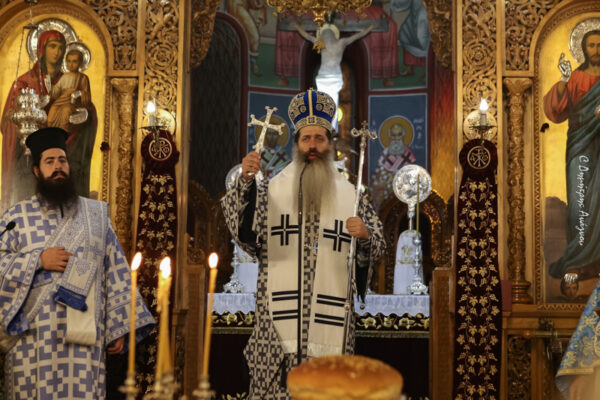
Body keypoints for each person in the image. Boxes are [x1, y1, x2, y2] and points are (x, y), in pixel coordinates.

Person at [221, 89, 385, 399]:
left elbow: (377, 247)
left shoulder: (351, 195)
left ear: (329, 143)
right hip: (275, 325)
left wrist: (365, 236)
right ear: (295, 144)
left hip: (332, 322)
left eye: (319, 139)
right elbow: (245, 236)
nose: (312, 145)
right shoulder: (270, 190)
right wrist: (245, 181)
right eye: (306, 138)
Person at [0, 127, 154, 399]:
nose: (58, 167)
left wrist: (118, 327)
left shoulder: (96, 215)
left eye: (62, 160)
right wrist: (38, 260)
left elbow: (115, 270)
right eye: (49, 162)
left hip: (83, 343)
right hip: (32, 341)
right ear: (37, 171)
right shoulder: (15, 218)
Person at [543, 29, 600, 281]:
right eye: (591, 45)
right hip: (580, 145)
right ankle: (577, 259)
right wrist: (564, 80)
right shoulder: (576, 77)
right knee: (579, 201)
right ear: (583, 49)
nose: (596, 50)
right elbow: (556, 112)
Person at [1, 30, 66, 209]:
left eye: (61, 48)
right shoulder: (23, 83)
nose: (57, 52)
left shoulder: (68, 81)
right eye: (52, 46)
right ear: (42, 49)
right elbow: (7, 121)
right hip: (28, 154)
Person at [294, 22, 374, 130]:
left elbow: (356, 36)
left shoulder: (341, 42)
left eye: (327, 34)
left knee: (332, 103)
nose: (326, 36)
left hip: (334, 78)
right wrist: (297, 27)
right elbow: (307, 36)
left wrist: (369, 28)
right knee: (322, 103)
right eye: (324, 34)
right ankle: (323, 127)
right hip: (323, 77)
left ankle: (331, 128)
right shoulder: (321, 44)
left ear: (333, 34)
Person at [47, 46, 98, 199]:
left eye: (74, 61)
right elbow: (56, 91)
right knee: (52, 114)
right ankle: (55, 135)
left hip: (72, 103)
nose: (71, 64)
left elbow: (86, 95)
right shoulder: (64, 77)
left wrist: (79, 93)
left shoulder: (83, 78)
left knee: (66, 111)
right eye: (68, 61)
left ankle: (64, 134)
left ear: (80, 63)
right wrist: (51, 88)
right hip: (61, 100)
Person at [371, 122, 416, 208]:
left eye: (398, 135)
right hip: (386, 197)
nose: (395, 139)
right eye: (393, 135)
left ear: (403, 136)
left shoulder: (408, 155)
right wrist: (384, 181)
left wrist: (397, 178)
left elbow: (413, 176)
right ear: (390, 136)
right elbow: (377, 176)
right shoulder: (385, 153)